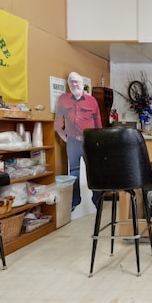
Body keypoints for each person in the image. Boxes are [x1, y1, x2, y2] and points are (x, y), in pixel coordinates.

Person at [54, 72, 102, 211]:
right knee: (74, 171)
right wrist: (64, 137)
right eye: (71, 82)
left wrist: (98, 140)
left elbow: (98, 122)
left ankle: (97, 199)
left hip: (89, 140)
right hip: (72, 141)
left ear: (82, 84)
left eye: (77, 82)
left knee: (93, 171)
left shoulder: (92, 100)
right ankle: (75, 201)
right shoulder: (63, 99)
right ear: (69, 84)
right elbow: (58, 121)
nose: (74, 84)